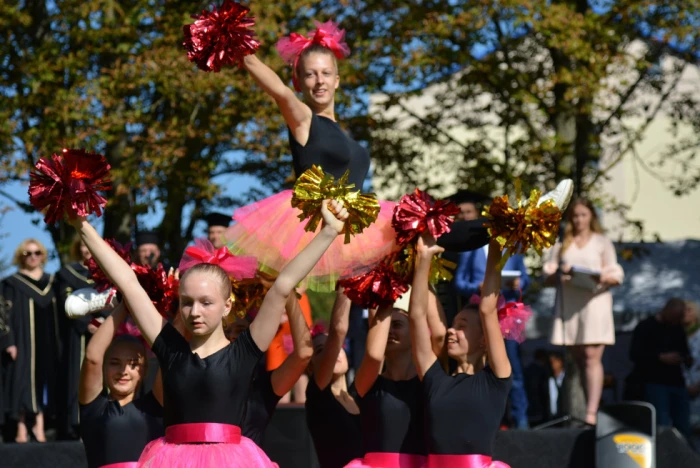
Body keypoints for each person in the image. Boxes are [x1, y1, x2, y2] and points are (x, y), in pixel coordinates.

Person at [230, 20, 574, 290]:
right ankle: (521, 218)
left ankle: (519, 220)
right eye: (309, 75)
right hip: (321, 221)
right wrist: (236, 44)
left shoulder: (343, 134)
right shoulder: (303, 119)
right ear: (299, 81)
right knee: (423, 223)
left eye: (325, 73)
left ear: (337, 80)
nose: (318, 81)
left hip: (356, 224)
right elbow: (274, 87)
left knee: (431, 230)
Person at [68, 199, 347, 467]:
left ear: (227, 306)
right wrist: (81, 223)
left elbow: (284, 283)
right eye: (186, 303)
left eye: (206, 302)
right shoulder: (170, 348)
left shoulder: (245, 350)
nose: (195, 312)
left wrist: (329, 232)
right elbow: (128, 283)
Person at [410, 234, 512, 466]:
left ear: (484, 340)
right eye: (453, 325)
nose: (451, 331)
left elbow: (488, 310)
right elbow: (417, 317)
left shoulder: (497, 379)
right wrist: (423, 258)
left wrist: (495, 246)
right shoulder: (434, 378)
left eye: (462, 326)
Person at [543, 198, 624, 425]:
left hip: (594, 302)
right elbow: (547, 276)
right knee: (579, 358)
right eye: (575, 215)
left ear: (591, 217)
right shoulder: (562, 244)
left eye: (583, 215)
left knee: (591, 356)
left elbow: (616, 274)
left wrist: (598, 276)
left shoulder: (602, 242)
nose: (579, 220)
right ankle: (587, 408)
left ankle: (591, 412)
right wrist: (561, 273)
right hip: (571, 304)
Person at [347, 286, 445, 468]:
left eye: (397, 325)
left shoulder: (431, 380)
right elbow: (374, 355)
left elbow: (439, 335)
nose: (389, 331)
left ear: (415, 332)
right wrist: (388, 285)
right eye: (386, 326)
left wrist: (422, 275)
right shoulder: (369, 382)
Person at [454, 241, 530, 429]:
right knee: (478, 366)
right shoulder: (472, 249)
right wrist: (477, 286)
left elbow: (526, 280)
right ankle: (480, 417)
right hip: (478, 317)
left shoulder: (514, 246)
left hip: (507, 317)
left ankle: (519, 419)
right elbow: (459, 282)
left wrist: (518, 283)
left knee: (512, 367)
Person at [79, 301, 163, 468]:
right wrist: (125, 304)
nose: (124, 370)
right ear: (104, 367)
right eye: (115, 363)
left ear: (144, 370)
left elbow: (171, 357)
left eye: (133, 364)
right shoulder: (94, 408)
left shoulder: (155, 405)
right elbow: (92, 358)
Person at [1, 238, 58, 443]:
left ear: (42, 255)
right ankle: (22, 427)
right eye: (28, 253)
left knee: (44, 381)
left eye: (37, 253)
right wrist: (8, 341)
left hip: (49, 341)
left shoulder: (53, 281)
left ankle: (40, 425)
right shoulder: (11, 283)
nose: (33, 257)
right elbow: (3, 315)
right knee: (22, 382)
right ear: (20, 256)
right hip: (24, 341)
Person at [239, 293, 313, 446]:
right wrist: (273, 317)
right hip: (275, 335)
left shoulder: (300, 296)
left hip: (294, 329)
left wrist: (289, 294)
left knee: (298, 378)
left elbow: (304, 350)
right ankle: (280, 431)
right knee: (278, 388)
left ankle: (302, 433)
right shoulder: (263, 292)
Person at [305, 288, 363, 468]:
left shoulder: (359, 392)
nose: (333, 352)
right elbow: (338, 330)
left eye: (337, 347)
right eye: (322, 350)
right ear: (310, 366)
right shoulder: (317, 396)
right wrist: (345, 284)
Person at [55, 235, 104, 440]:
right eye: (83, 246)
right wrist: (88, 324)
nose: (86, 250)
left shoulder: (107, 274)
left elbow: (115, 298)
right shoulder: (68, 274)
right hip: (79, 336)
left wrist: (105, 321)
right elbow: (66, 303)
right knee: (79, 376)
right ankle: (77, 423)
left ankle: (103, 422)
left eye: (89, 246)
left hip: (106, 332)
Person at [629, 298, 691, 438]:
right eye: (674, 317)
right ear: (666, 310)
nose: (676, 321)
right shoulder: (646, 326)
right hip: (654, 382)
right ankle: (663, 456)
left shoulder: (677, 329)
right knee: (661, 426)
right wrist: (660, 357)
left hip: (677, 383)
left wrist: (684, 358)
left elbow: (685, 352)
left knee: (684, 427)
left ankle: (685, 457)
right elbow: (635, 354)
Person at [683, 301, 700, 432]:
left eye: (689, 310)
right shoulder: (675, 335)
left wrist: (697, 387)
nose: (685, 313)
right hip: (681, 390)